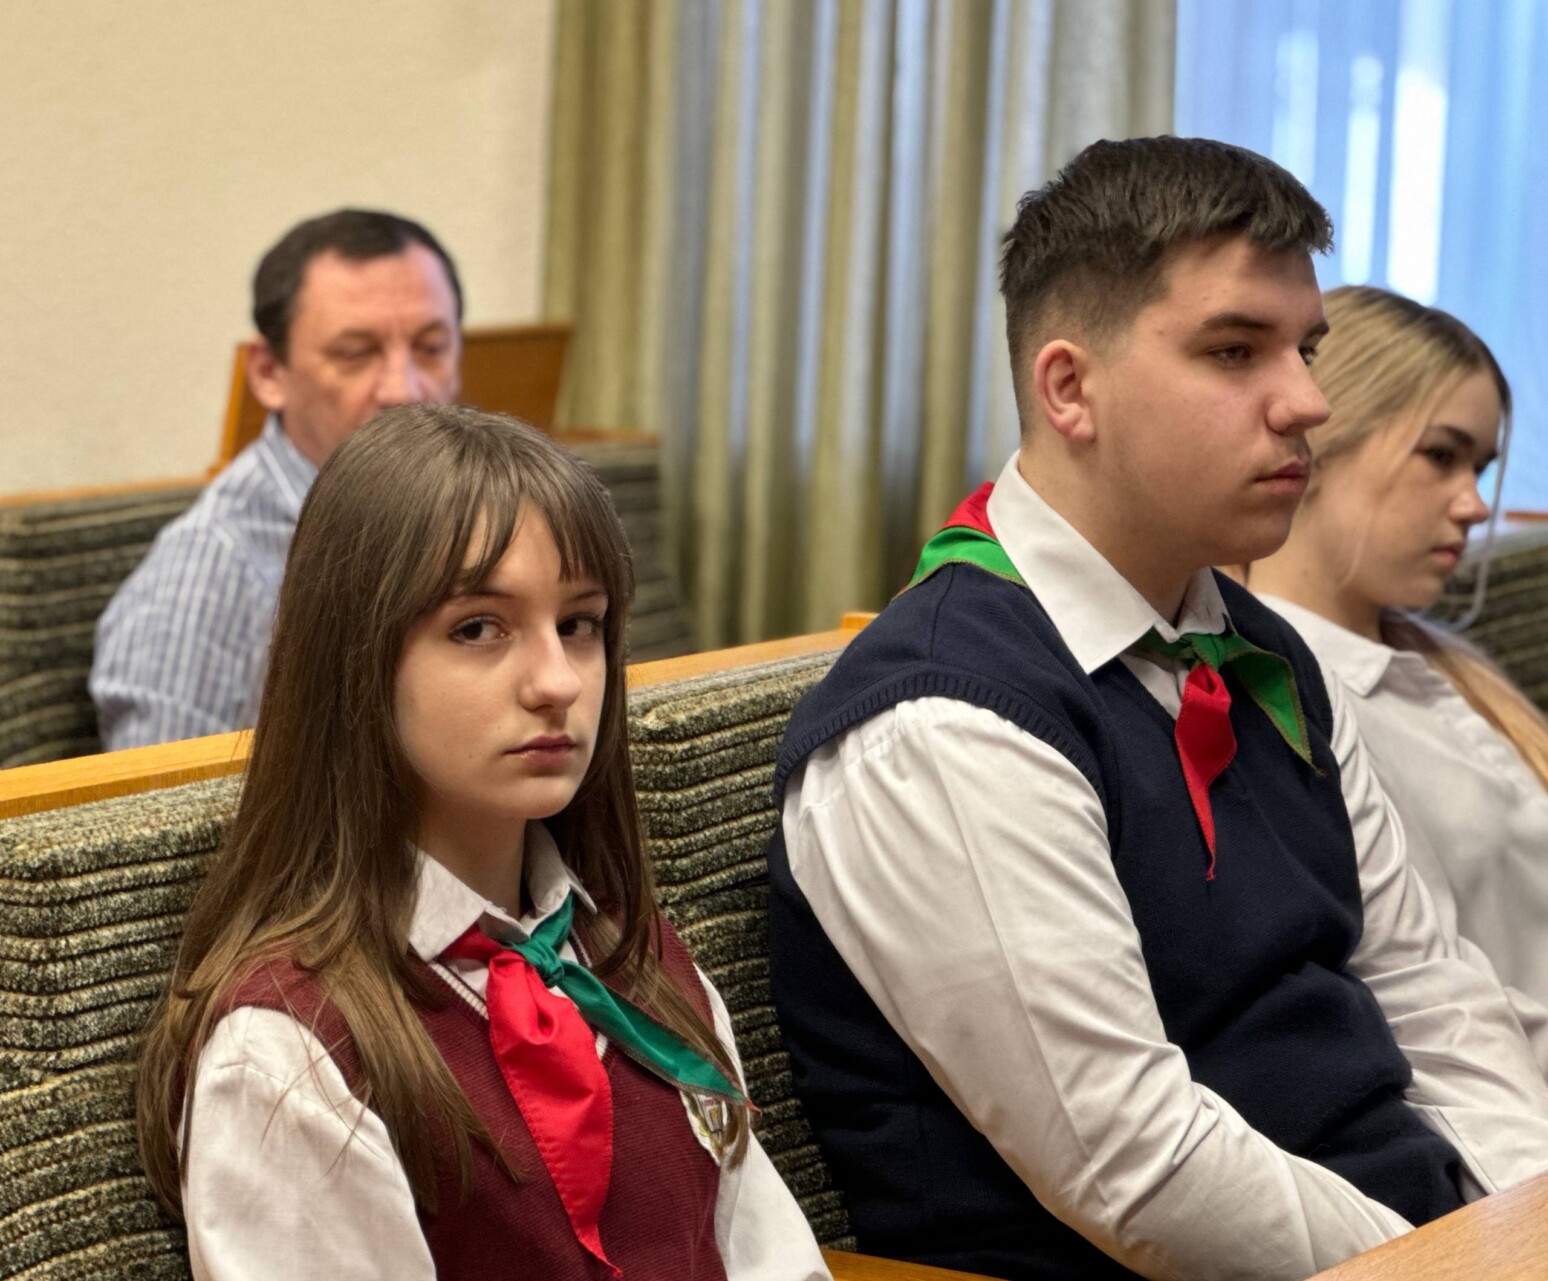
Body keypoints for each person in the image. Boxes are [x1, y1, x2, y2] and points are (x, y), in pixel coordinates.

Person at [767, 137, 1548, 1281]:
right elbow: (1138, 1167)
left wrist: (1523, 1215)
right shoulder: (941, 720)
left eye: (1304, 350)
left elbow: (1433, 993)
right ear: (1069, 389)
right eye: (1235, 351)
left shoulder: (1259, 645)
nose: (1309, 403)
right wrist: (1463, 1265)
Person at [135, 405, 829, 1281]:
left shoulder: (638, 958)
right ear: (356, 660)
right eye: (478, 628)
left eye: (579, 623)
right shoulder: (289, 1056)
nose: (557, 681)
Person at [1246, 285, 1548, 1071]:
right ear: (1322, 435)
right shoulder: (1271, 694)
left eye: (1480, 467)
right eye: (1441, 455)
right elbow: (1415, 998)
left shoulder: (1452, 664)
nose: (1474, 505)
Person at [91, 209, 464, 750]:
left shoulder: (474, 514)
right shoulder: (212, 569)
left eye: (431, 348)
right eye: (356, 354)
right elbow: (160, 804)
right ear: (269, 373)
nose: (403, 390)